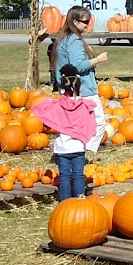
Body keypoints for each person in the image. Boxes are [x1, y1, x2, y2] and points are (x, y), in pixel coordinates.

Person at [33, 65, 98, 201]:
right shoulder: (85, 106)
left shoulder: (56, 106)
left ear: (62, 89)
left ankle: (65, 203)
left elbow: (44, 118)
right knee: (79, 175)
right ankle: (80, 200)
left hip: (62, 148)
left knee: (64, 176)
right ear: (79, 88)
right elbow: (91, 123)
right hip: (78, 147)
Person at [54, 6, 108, 134]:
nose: (88, 25)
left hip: (69, 89)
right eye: (85, 22)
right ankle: (84, 151)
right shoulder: (74, 40)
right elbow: (76, 66)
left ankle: (75, 151)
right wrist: (98, 60)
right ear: (75, 22)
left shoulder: (65, 38)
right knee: (98, 124)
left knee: (75, 126)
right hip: (83, 89)